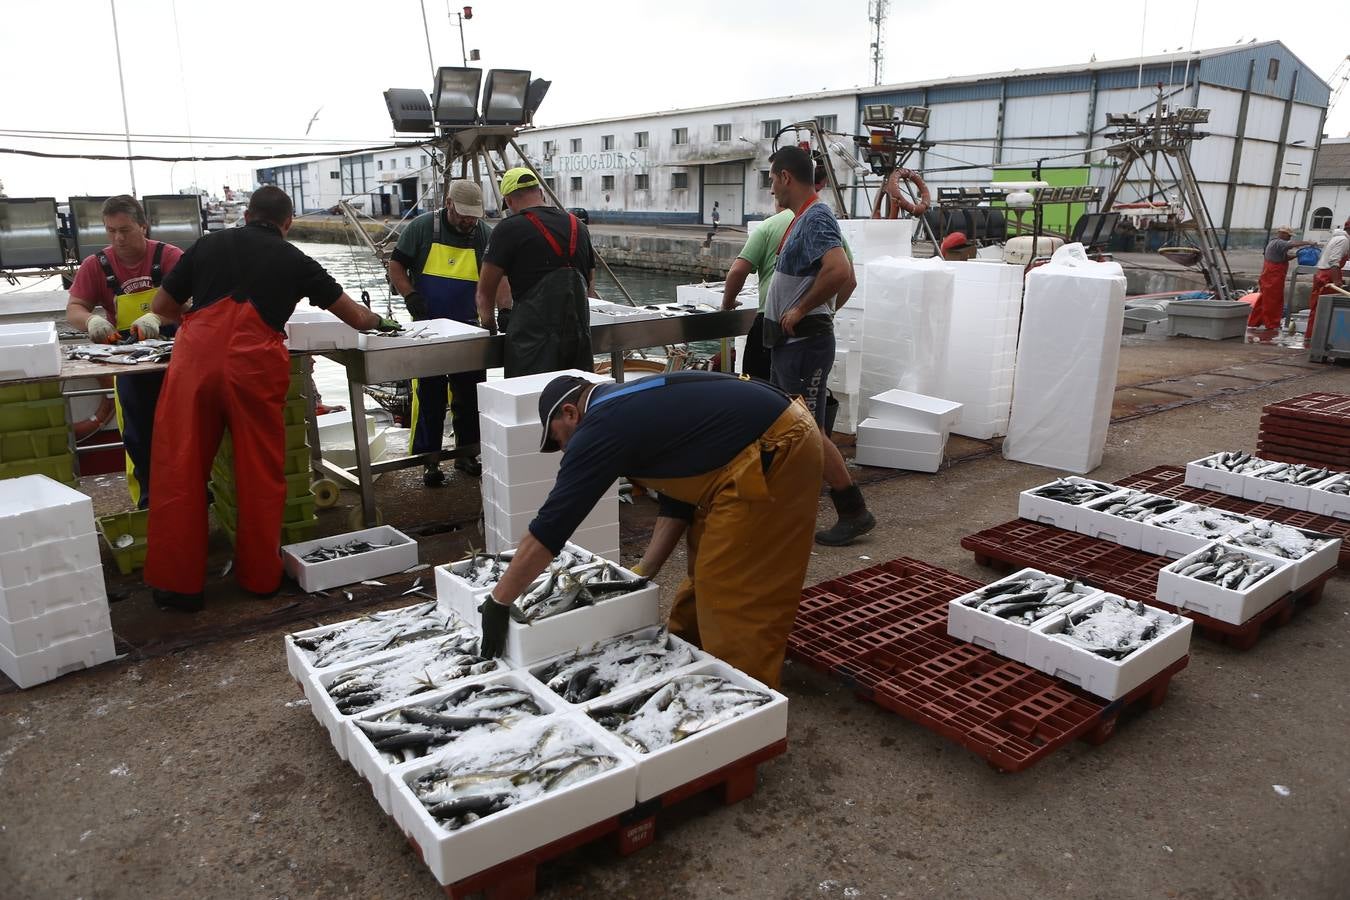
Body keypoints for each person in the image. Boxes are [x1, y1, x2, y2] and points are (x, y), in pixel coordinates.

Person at [475, 371, 823, 688]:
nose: (564, 448)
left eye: (557, 438)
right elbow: (679, 494)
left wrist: (499, 600)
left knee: (737, 593)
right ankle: (692, 667)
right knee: (705, 581)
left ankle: (745, 708)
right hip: (742, 459)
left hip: (776, 449)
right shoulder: (630, 404)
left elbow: (551, 528)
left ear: (570, 413)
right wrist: (644, 571)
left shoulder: (601, 427)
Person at [143, 186, 396, 611]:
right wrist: (381, 320)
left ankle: (177, 586)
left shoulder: (207, 244)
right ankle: (260, 579)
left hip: (195, 365)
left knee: (180, 468)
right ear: (288, 223)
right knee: (260, 473)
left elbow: (162, 305)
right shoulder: (296, 260)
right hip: (254, 369)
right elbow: (355, 317)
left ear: (246, 215)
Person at [762, 146, 875, 546]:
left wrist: (804, 310)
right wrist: (816, 309)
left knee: (807, 428)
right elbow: (845, 281)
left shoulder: (816, 217)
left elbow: (841, 272)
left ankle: (853, 510)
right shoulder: (801, 220)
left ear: (786, 177)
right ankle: (793, 507)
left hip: (803, 342)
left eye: (772, 177)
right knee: (796, 427)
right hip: (794, 341)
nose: (771, 186)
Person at [66, 195, 183, 509]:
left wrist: (160, 316)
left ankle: (199, 493)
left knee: (186, 430)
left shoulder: (169, 257)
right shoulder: (97, 265)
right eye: (111, 231)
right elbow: (74, 308)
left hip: (178, 360)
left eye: (126, 230)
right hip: (130, 363)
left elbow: (195, 301)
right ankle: (150, 501)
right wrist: (90, 321)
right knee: (139, 434)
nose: (118, 238)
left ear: (143, 226)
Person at [387, 181, 499, 485]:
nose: (468, 221)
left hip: (468, 331)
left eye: (473, 216)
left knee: (470, 397)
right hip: (428, 330)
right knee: (430, 398)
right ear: (447, 203)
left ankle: (466, 455)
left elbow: (495, 280)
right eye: (463, 214)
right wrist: (410, 295)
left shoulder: (484, 235)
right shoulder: (422, 229)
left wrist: (493, 320)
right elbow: (396, 266)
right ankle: (430, 461)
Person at [475, 168, 597, 376]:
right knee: (573, 402)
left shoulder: (507, 229)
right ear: (540, 192)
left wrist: (492, 327)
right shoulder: (579, 227)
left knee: (531, 404)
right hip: (577, 345)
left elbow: (484, 293)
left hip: (531, 348)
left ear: (509, 200)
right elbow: (590, 290)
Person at [721, 201, 791, 380]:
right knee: (796, 392)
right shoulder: (823, 224)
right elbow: (847, 279)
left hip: (770, 320)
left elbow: (737, 271)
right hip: (810, 324)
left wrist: (727, 303)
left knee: (757, 385)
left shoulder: (768, 227)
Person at [1247, 226, 1313, 330]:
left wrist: (1296, 255)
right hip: (1272, 277)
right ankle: (1272, 325)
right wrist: (1308, 243)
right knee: (1273, 301)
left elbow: (1284, 258)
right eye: (1289, 236)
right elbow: (1292, 244)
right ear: (1283, 234)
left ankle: (1254, 323)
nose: (1290, 238)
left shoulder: (1274, 243)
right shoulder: (1279, 242)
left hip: (1269, 275)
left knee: (1263, 301)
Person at [1308, 220, 1350, 329]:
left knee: (1317, 309)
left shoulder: (1336, 238)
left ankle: (1311, 336)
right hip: (1327, 277)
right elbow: (1334, 261)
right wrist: (1337, 282)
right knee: (1324, 310)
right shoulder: (1343, 240)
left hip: (1323, 274)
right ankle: (1318, 339)